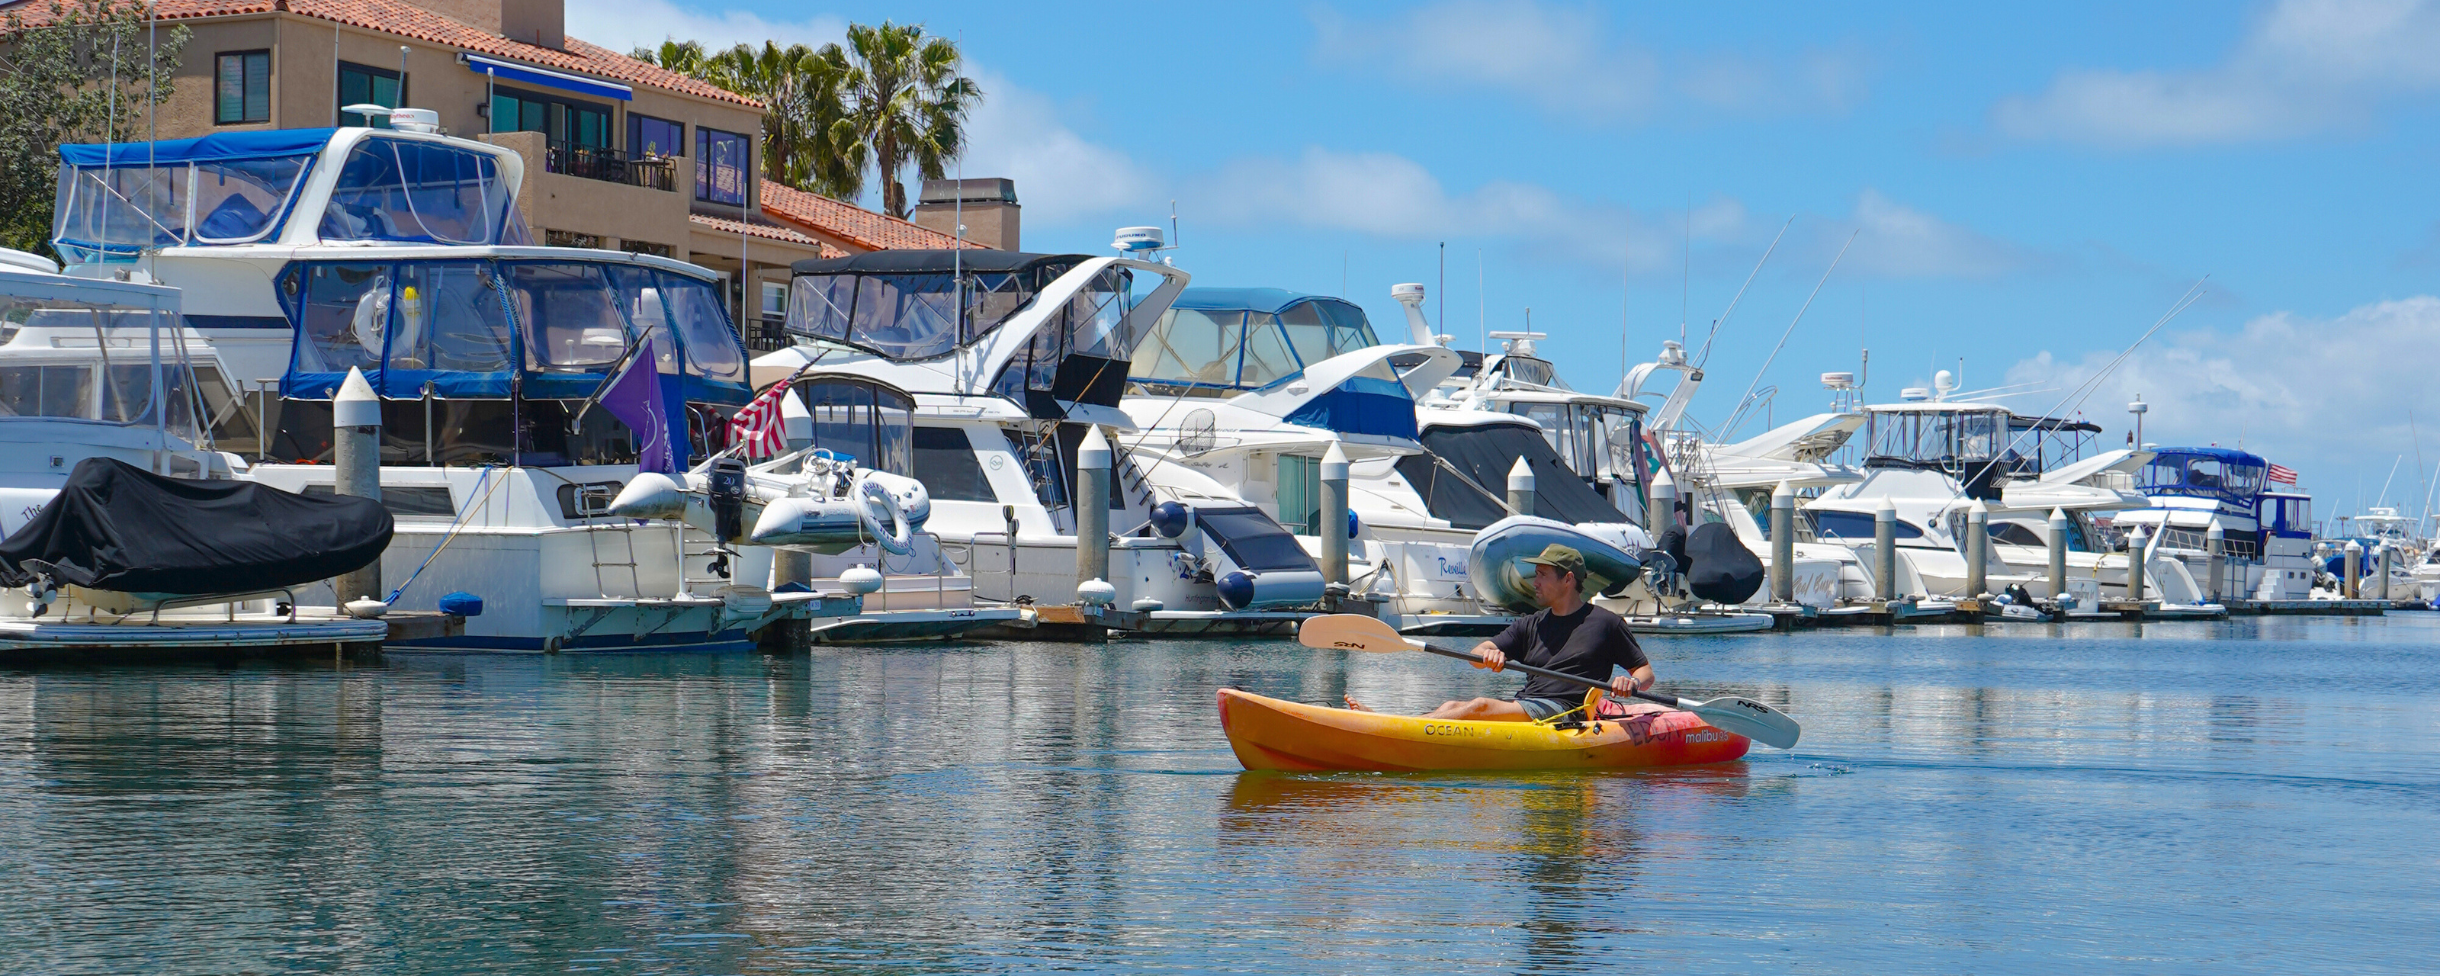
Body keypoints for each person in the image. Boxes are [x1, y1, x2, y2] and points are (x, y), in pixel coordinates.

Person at [1346, 543, 1652, 722]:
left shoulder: (1606, 623)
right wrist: (1487, 655)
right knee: (1452, 706)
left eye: (1542, 576)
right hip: (1531, 705)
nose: (1535, 583)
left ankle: (1391, 727)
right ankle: (1388, 722)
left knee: (1479, 705)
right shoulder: (1532, 623)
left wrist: (1631, 682)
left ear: (1568, 579)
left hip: (1567, 713)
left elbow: (1645, 672)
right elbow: (1476, 655)